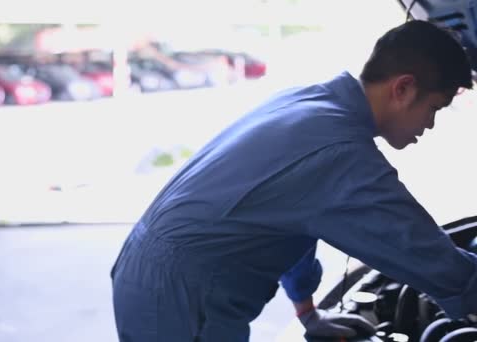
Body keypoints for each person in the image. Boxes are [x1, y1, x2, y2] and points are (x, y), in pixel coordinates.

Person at [110, 20, 477, 342]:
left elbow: (294, 225)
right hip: (179, 297)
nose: (429, 125)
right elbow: (417, 247)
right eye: (434, 108)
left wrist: (308, 313)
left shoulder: (311, 102)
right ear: (403, 88)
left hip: (159, 280)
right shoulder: (338, 150)